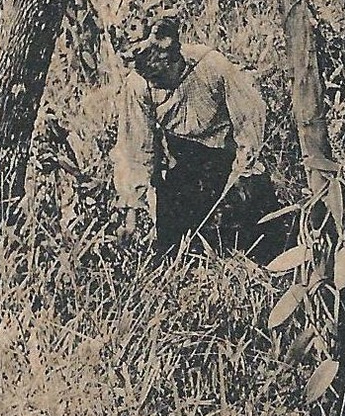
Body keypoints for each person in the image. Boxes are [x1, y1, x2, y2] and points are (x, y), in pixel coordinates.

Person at [112, 15, 284, 259]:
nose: (158, 82)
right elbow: (137, 148)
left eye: (161, 75)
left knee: (262, 240)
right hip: (182, 166)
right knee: (175, 252)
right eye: (150, 76)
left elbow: (249, 116)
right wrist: (131, 209)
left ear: (174, 57)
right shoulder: (139, 85)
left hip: (227, 157)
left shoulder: (211, 66)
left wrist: (241, 170)